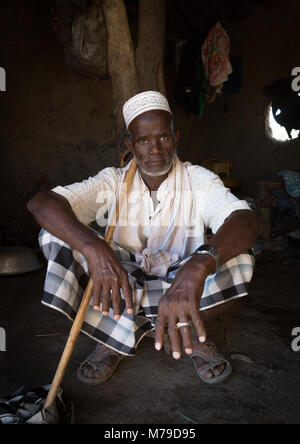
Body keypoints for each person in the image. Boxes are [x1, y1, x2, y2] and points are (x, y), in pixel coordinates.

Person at [27, 91, 260, 386]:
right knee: (55, 237)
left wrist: (199, 265)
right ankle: (122, 336)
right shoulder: (112, 180)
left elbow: (246, 221)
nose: (155, 149)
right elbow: (41, 203)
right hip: (122, 285)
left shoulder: (197, 179)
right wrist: (95, 247)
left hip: (180, 285)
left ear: (176, 138)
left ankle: (131, 333)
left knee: (239, 257)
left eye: (163, 138)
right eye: (143, 140)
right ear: (130, 144)